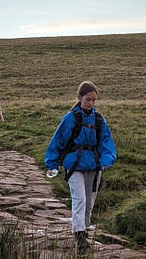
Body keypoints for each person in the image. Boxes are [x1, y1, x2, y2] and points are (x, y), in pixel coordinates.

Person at [44, 81, 116, 254]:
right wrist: (51, 163)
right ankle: (79, 235)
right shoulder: (71, 118)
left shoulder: (99, 120)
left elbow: (106, 141)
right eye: (88, 100)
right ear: (79, 98)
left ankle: (83, 228)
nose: (91, 103)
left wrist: (107, 159)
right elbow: (58, 140)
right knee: (80, 199)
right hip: (74, 164)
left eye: (94, 100)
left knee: (89, 202)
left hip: (94, 164)